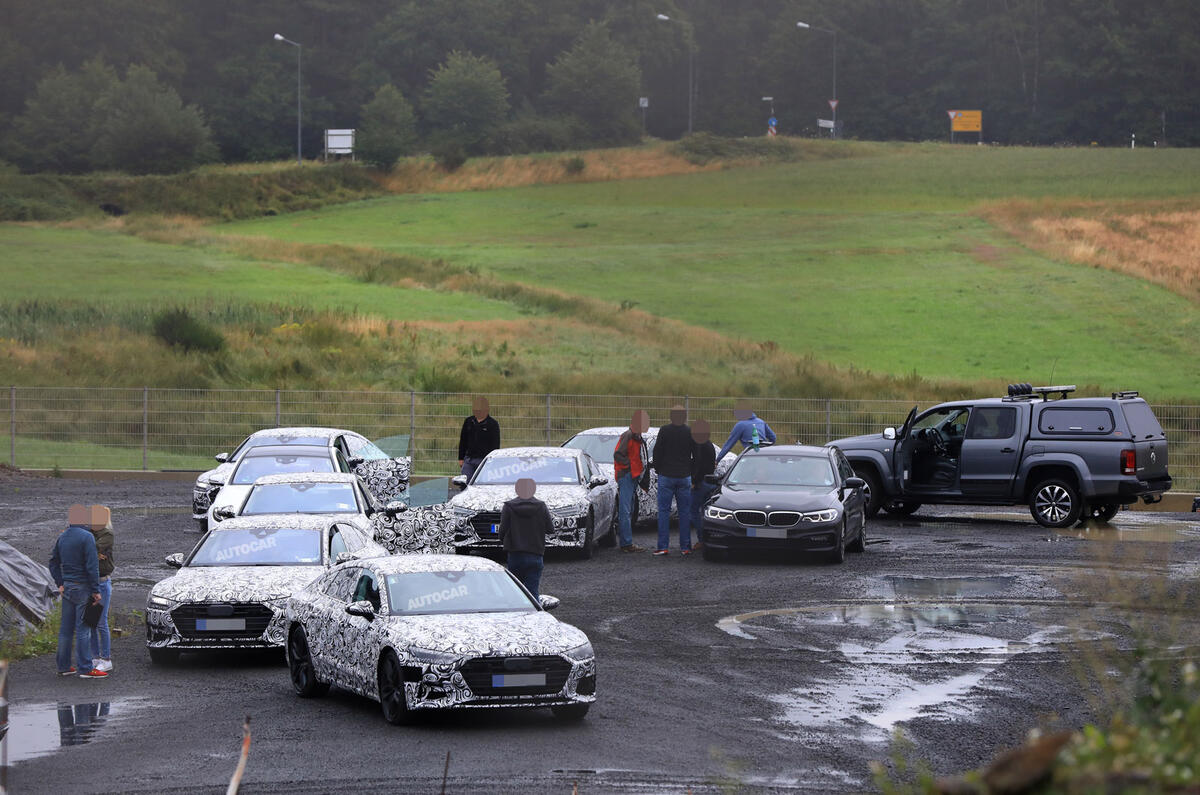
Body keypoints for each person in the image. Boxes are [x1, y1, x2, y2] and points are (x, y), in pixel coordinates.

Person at [49, 505, 106, 679]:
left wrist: (60, 582)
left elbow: (53, 562)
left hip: (67, 587)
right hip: (83, 587)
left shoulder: (62, 537)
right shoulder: (87, 537)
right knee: (84, 629)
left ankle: (64, 666)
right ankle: (85, 668)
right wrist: (96, 590)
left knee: (66, 629)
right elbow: (92, 566)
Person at [651, 405, 695, 556]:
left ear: (671, 416)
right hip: (684, 476)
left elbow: (657, 452)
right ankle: (686, 547)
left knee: (663, 511)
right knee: (684, 512)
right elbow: (695, 453)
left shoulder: (664, 430)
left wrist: (658, 469)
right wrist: (691, 473)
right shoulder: (689, 432)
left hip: (666, 475)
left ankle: (663, 546)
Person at [499, 478, 549, 598]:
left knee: (516, 591)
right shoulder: (541, 506)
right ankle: (535, 614)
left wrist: (503, 540)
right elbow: (550, 529)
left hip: (515, 555)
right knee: (533, 591)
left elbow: (502, 531)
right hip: (536, 554)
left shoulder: (508, 506)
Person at [612, 410, 650, 553]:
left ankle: (627, 542)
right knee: (625, 511)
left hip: (632, 476)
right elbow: (617, 454)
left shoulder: (636, 436)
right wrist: (630, 466)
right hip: (627, 476)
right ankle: (626, 544)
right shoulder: (628, 436)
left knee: (629, 510)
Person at [88, 505, 115, 674]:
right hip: (90, 582)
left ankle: (106, 659)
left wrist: (92, 552)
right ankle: (95, 657)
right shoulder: (88, 533)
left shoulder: (107, 534)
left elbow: (90, 548)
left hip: (102, 582)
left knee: (101, 621)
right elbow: (88, 548)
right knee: (91, 621)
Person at [458, 396, 500, 480]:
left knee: (483, 483)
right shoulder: (469, 421)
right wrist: (461, 458)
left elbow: (495, 445)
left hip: (484, 461)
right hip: (469, 459)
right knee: (465, 482)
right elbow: (463, 441)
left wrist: (492, 461)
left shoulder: (493, 424)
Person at [690, 419, 717, 550]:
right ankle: (709, 538)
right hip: (710, 482)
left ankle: (702, 539)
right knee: (705, 512)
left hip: (701, 483)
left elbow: (698, 464)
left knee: (693, 511)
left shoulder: (699, 444)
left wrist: (694, 481)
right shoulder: (710, 444)